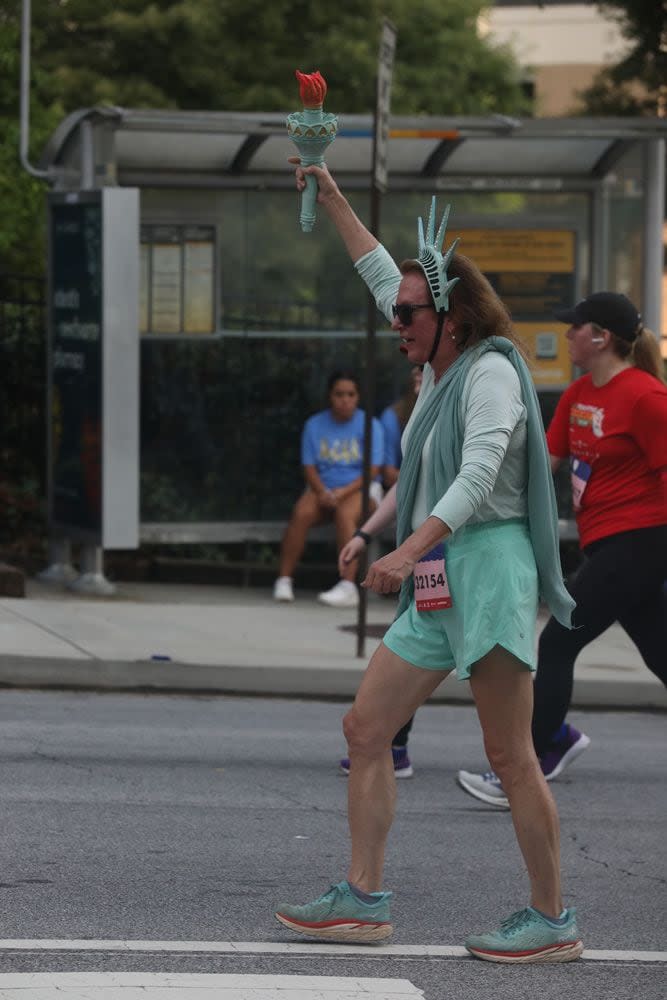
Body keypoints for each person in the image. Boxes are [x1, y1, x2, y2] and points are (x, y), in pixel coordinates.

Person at [274, 162, 583, 964]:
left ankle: (551, 919)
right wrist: (330, 192)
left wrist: (406, 548)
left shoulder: (487, 375)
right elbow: (379, 268)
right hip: (440, 571)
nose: (395, 320)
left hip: (486, 566)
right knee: (366, 727)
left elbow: (477, 475)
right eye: (397, 310)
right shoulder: (434, 366)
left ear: (451, 315)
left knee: (509, 755)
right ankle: (361, 899)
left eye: (409, 312)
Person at [457, 291, 667, 807]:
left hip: (643, 539)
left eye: (577, 327)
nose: (568, 334)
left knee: (557, 642)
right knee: (661, 650)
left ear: (602, 337)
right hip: (608, 544)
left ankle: (530, 762)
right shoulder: (578, 396)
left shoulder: (646, 397)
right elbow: (541, 466)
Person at [339, 366, 423, 779]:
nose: (418, 378)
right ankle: (391, 745)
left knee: (488, 667)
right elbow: (405, 482)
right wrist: (364, 533)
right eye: (415, 374)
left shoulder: (466, 413)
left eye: (426, 372)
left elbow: (470, 487)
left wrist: (411, 550)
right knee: (407, 646)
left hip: (470, 557)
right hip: (432, 559)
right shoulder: (420, 417)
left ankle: (530, 750)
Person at [273, 370, 384, 608]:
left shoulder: (371, 425)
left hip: (362, 490)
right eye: (339, 394)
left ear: (358, 397)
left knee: (345, 514)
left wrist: (341, 493)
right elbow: (309, 466)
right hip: (322, 490)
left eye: (351, 394)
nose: (345, 399)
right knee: (301, 513)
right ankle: (284, 579)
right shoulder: (314, 424)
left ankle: (347, 586)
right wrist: (323, 492)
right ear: (329, 397)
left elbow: (372, 471)